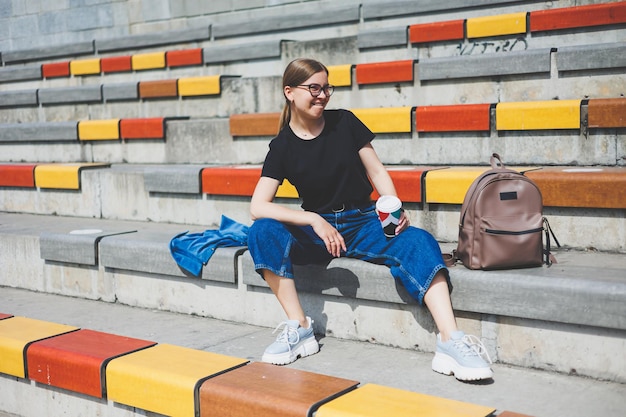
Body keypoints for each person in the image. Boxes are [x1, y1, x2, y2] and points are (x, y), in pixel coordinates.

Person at [247, 58, 493, 382]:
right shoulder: (282, 146)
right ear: (289, 92)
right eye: (314, 88)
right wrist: (311, 220)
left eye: (326, 88)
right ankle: (300, 327)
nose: (322, 95)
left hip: (364, 222)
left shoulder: (344, 123)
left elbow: (376, 171)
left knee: (418, 240)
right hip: (320, 230)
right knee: (262, 231)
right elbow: (258, 206)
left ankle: (450, 340)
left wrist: (394, 207)